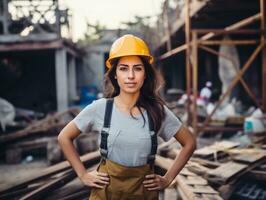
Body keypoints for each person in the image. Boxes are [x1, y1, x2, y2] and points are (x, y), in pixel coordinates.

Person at [58, 34, 196, 200]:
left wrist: (167, 178)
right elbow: (64, 137)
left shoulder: (158, 111)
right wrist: (83, 175)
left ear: (145, 74)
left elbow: (189, 143)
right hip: (106, 194)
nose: (130, 75)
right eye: (123, 68)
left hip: (143, 194)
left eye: (137, 68)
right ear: (115, 74)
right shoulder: (100, 108)